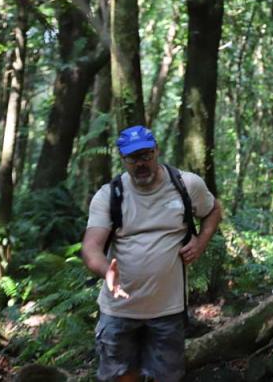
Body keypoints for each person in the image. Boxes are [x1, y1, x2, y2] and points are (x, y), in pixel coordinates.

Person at [82, 125, 223, 382]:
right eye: (133, 158)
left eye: (146, 155)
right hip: (119, 311)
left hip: (168, 311)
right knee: (121, 378)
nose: (141, 163)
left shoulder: (186, 184)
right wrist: (106, 272)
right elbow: (91, 247)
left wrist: (201, 242)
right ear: (122, 159)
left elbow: (213, 210)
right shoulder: (110, 195)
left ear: (157, 151)